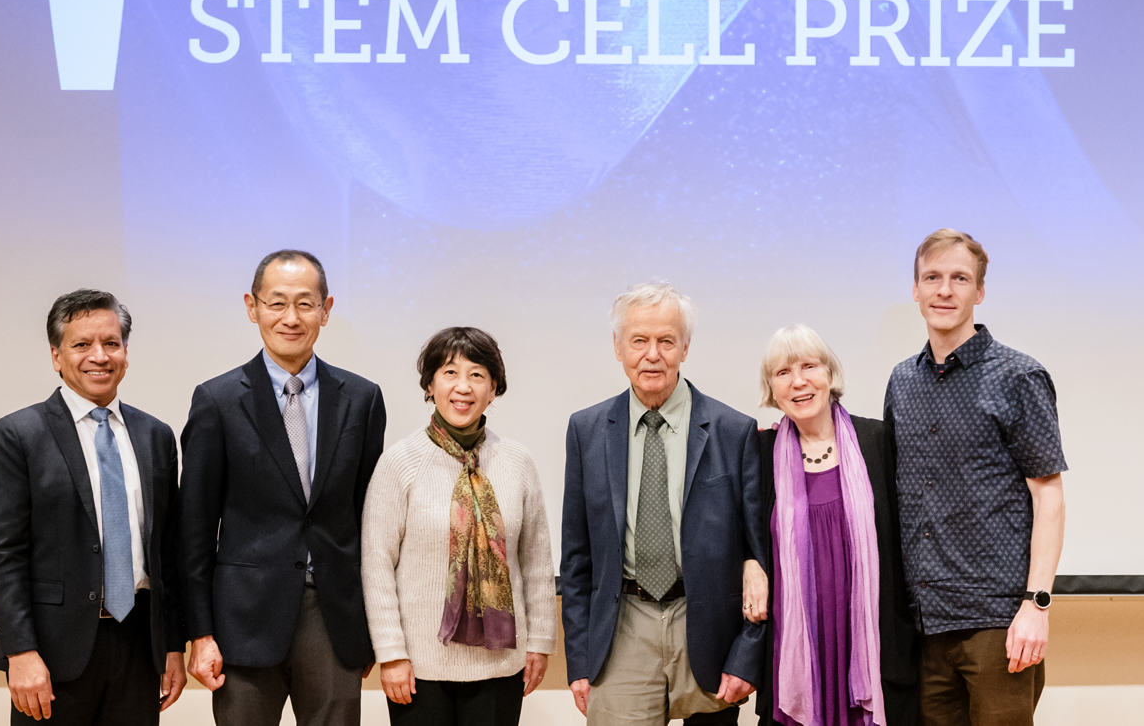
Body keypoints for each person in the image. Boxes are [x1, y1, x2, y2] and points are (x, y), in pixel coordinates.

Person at [180, 250, 388, 726]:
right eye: (276, 303)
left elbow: (369, 520)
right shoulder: (217, 400)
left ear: (325, 310)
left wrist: (371, 627)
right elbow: (194, 530)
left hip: (334, 617)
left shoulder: (362, 399)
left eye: (305, 304)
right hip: (242, 621)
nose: (290, 318)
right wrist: (201, 633)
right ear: (252, 307)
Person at [560, 279, 767, 726]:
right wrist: (578, 661)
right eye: (639, 341)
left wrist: (747, 656)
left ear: (685, 348)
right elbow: (577, 560)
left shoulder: (734, 431)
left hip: (708, 629)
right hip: (622, 627)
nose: (652, 354)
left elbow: (761, 556)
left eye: (666, 341)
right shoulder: (586, 431)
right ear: (618, 347)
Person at [885, 229, 1067, 726]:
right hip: (925, 624)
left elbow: (1049, 496)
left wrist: (1037, 605)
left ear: (980, 291)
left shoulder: (1018, 377)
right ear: (916, 289)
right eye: (932, 278)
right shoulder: (902, 381)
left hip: (997, 623)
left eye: (960, 278)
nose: (944, 290)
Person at [0, 290, 187, 724]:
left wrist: (173, 645)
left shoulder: (156, 436)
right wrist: (20, 651)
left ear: (126, 353)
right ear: (56, 356)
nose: (99, 356)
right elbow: (5, 555)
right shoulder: (21, 434)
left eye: (111, 343)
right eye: (82, 344)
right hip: (53, 651)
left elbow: (168, 553)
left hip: (139, 644)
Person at [361, 327, 557, 726]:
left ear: (493, 389)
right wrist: (391, 653)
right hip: (419, 668)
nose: (463, 387)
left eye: (477, 375)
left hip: (501, 665)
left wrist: (540, 642)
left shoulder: (517, 461)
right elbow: (376, 565)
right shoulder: (399, 462)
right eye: (449, 373)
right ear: (430, 385)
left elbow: (536, 562)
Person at [743, 325, 919, 726]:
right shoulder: (759, 453)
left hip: (871, 646)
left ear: (829, 373)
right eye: (783, 372)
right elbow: (739, 534)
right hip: (795, 647)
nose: (798, 381)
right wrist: (748, 563)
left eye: (809, 366)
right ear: (772, 389)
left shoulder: (878, 441)